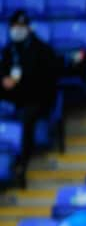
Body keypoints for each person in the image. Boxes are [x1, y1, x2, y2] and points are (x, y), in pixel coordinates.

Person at [0, 10, 62, 188]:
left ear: (28, 28)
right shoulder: (9, 49)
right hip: (14, 95)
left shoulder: (41, 50)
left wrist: (20, 81)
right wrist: (4, 79)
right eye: (15, 26)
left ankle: (21, 165)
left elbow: (47, 79)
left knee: (27, 118)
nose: (17, 30)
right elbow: (3, 69)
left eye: (21, 26)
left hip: (37, 98)